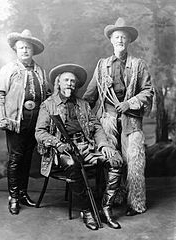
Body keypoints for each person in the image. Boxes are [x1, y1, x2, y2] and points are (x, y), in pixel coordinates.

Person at [35, 63, 123, 230]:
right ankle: (87, 210)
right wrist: (58, 144)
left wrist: (104, 145)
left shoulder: (83, 104)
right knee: (72, 165)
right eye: (66, 80)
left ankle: (106, 208)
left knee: (116, 161)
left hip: (87, 146)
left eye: (73, 81)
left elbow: (96, 126)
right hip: (61, 151)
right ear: (58, 83)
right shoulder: (48, 105)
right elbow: (40, 132)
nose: (70, 84)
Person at [83, 18, 154, 216]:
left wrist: (129, 103)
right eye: (117, 37)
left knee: (134, 161)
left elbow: (148, 91)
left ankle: (136, 203)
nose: (120, 40)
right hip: (108, 120)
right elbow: (90, 95)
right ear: (111, 41)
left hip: (131, 120)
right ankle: (114, 197)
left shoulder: (138, 65)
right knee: (111, 160)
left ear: (129, 41)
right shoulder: (102, 65)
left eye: (124, 37)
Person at [0, 29, 49, 215]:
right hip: (16, 121)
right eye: (21, 47)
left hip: (36, 122)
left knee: (28, 159)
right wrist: (1, 117)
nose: (24, 51)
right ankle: (13, 197)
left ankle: (22, 194)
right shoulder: (9, 69)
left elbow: (47, 94)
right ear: (16, 49)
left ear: (33, 51)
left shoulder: (40, 71)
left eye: (28, 48)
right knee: (16, 160)